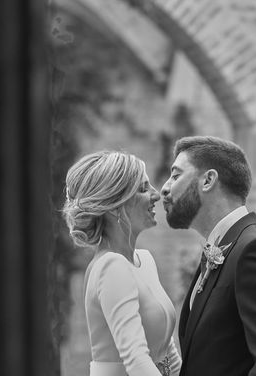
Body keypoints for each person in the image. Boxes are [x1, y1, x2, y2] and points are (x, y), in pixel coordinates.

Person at [160, 136, 256, 376]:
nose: (165, 188)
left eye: (176, 175)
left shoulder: (255, 249)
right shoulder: (218, 250)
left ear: (208, 180)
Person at [62, 150, 182, 376]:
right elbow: (137, 362)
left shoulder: (144, 261)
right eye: (144, 188)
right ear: (116, 205)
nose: (156, 195)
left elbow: (167, 355)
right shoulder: (111, 267)